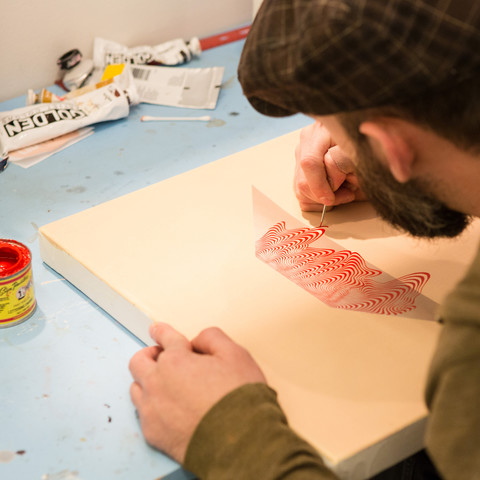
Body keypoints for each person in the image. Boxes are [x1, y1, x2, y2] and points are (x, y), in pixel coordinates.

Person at [129, 0, 480, 478]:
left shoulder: (470, 369)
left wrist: (229, 432)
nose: (333, 147)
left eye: (339, 133)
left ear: (392, 147)